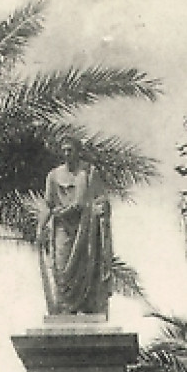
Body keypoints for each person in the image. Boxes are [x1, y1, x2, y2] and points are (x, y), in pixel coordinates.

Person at [37, 135, 113, 315]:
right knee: (62, 268)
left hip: (85, 229)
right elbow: (48, 204)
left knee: (86, 268)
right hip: (63, 227)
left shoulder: (89, 173)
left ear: (78, 152)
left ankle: (85, 308)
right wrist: (41, 227)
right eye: (63, 150)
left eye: (70, 150)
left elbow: (101, 198)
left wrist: (101, 208)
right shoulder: (53, 176)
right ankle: (64, 309)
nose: (66, 153)